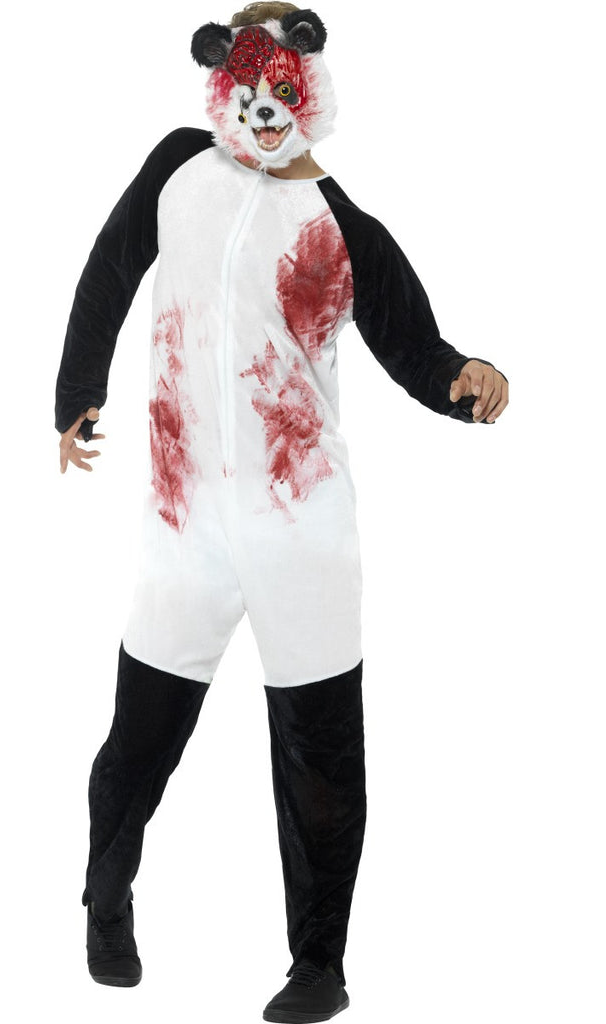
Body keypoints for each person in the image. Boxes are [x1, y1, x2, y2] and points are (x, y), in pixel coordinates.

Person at [55, 3, 509, 1021]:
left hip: (303, 531)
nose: (263, 109)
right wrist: (76, 390)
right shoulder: (177, 168)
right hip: (183, 526)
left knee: (321, 757)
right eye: (246, 88)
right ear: (222, 85)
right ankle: (105, 898)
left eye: (283, 90)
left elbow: (416, 346)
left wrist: (465, 379)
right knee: (138, 738)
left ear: (311, 88)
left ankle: (320, 966)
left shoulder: (344, 228)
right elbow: (109, 271)